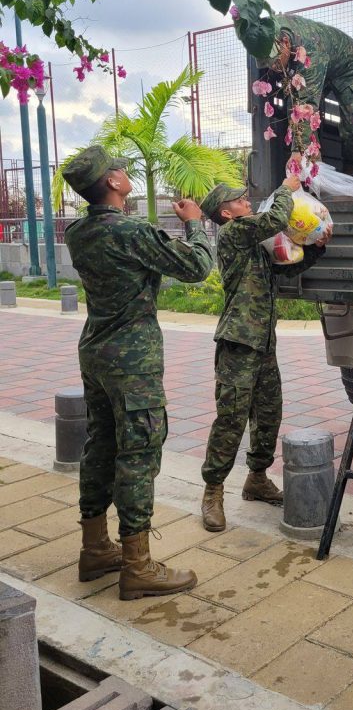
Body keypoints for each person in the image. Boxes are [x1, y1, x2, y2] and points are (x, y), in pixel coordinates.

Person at [62, 146, 214, 601]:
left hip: (96, 351)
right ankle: (137, 566)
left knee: (100, 444)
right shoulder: (130, 231)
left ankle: (95, 549)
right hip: (133, 360)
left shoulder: (78, 232)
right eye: (120, 169)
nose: (126, 173)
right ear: (111, 182)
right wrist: (194, 223)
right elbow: (197, 268)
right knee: (138, 453)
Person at [198, 177, 330, 531]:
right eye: (240, 200)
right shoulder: (232, 234)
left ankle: (256, 479)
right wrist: (287, 188)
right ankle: (212, 491)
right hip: (239, 343)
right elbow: (275, 219)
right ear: (226, 213)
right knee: (231, 419)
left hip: (263, 345)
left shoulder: (253, 246)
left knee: (269, 414)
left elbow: (284, 271)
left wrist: (317, 249)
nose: (246, 201)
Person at [259, 14, 353, 175]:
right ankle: (315, 176)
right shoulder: (264, 36)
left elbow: (306, 103)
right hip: (318, 63)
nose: (274, 68)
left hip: (349, 67)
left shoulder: (309, 50)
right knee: (294, 110)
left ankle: (350, 174)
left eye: (276, 61)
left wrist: (298, 150)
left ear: (285, 43)